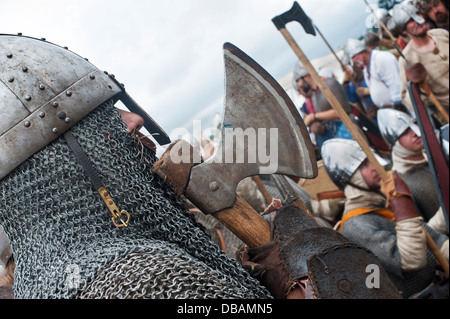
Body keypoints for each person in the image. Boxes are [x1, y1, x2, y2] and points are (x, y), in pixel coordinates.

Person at [0, 34, 274, 299]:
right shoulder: (149, 282)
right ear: (55, 162)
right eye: (102, 117)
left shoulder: (40, 287)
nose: (135, 119)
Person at [322, 138, 449, 298]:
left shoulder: (381, 202)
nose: (375, 167)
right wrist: (402, 204)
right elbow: (410, 260)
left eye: (371, 160)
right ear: (352, 178)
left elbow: (435, 238)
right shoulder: (355, 225)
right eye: (364, 165)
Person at [377, 108, 442, 222]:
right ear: (395, 143)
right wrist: (443, 215)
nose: (415, 133)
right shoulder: (399, 183)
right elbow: (424, 231)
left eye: (413, 127)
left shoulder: (436, 153)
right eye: (405, 132)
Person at [393, 1, 449, 120]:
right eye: (411, 21)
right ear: (404, 30)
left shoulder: (441, 34)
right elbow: (409, 102)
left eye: (418, 15)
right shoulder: (407, 59)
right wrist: (414, 85)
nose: (418, 21)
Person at [293, 61, 354, 150]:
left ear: (307, 76)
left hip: (347, 130)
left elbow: (342, 111)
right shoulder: (314, 93)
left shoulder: (329, 84)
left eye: (298, 80)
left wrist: (313, 116)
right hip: (334, 135)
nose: (298, 84)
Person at [346, 38, 405, 112]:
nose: (354, 61)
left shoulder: (380, 58)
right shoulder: (366, 68)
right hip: (390, 110)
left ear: (361, 51)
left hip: (401, 107)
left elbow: (395, 83)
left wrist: (398, 105)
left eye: (354, 56)